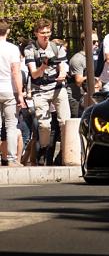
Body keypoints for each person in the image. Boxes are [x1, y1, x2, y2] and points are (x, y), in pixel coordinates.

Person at [24, 18, 71, 162]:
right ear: (36, 33)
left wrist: (62, 74)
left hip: (57, 88)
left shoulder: (57, 47)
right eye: (42, 32)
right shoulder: (30, 49)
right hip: (40, 89)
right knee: (44, 125)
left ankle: (64, 153)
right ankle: (43, 150)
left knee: (65, 122)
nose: (46, 35)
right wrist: (44, 66)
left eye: (48, 32)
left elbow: (62, 66)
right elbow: (34, 74)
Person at [0, 20, 26, 166]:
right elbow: (16, 72)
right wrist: (20, 93)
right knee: (11, 124)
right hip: (8, 90)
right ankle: (11, 158)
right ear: (8, 31)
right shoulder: (12, 49)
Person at [68, 30, 101, 117]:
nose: (97, 44)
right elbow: (78, 81)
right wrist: (96, 79)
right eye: (94, 42)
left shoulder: (96, 57)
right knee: (78, 122)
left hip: (92, 95)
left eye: (97, 41)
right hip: (77, 98)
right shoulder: (78, 59)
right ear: (84, 42)